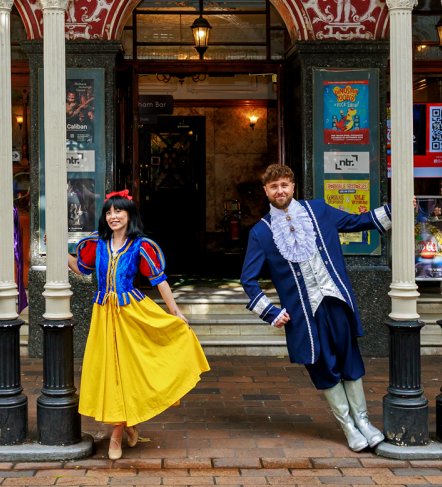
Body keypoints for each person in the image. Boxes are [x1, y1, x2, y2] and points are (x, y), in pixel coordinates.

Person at [240, 164, 392, 451]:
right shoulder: (260, 232)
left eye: (284, 184)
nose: (280, 190)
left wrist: (395, 210)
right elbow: (247, 280)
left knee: (349, 359)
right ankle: (348, 427)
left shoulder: (318, 210)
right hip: (303, 314)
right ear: (266, 191)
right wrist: (271, 313)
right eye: (273, 187)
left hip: (336, 300)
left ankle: (365, 422)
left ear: (293, 186)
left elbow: (355, 222)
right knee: (323, 366)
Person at [68, 191, 209, 460]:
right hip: (103, 315)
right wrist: (59, 252)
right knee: (110, 373)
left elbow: (160, 280)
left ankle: (117, 435)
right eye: (109, 212)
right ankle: (128, 424)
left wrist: (176, 313)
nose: (113, 216)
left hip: (132, 312)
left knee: (130, 372)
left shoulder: (140, 246)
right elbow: (80, 268)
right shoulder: (95, 244)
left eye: (118, 211)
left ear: (129, 215)